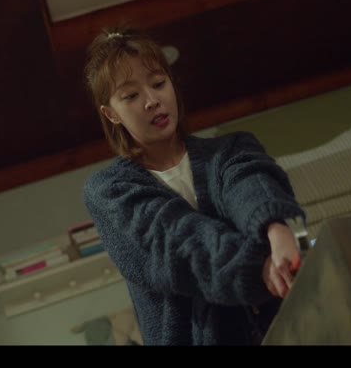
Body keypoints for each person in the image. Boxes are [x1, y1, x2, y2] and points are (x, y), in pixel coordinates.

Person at [82, 26, 307, 345]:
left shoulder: (232, 149)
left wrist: (276, 228)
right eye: (131, 96)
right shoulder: (108, 191)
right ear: (111, 114)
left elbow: (249, 183)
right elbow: (176, 242)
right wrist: (258, 267)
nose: (152, 101)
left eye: (158, 84)